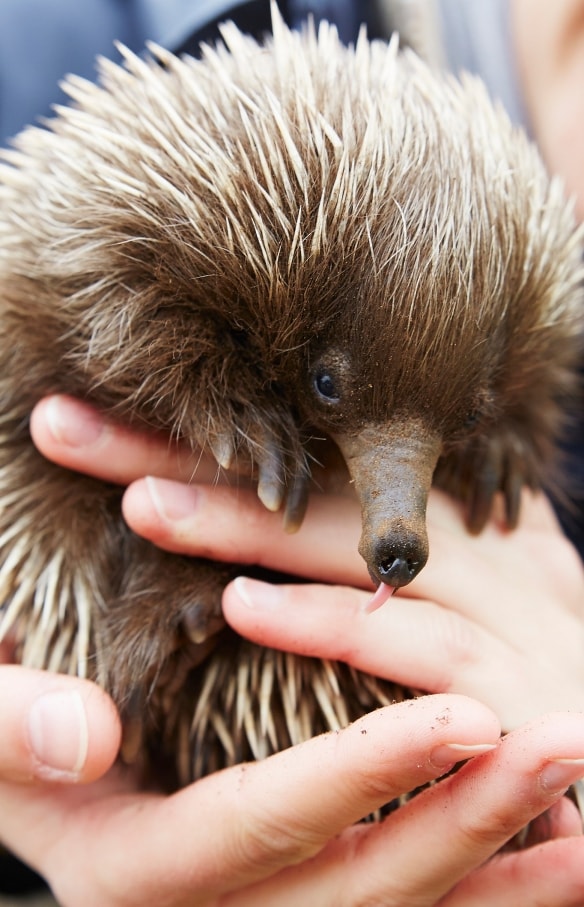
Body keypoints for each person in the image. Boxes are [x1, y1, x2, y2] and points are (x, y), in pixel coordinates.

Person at [2, 1, 584, 904]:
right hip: (97, 550)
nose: (401, 525)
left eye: (462, 413)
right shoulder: (47, 51)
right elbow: (64, 290)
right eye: (330, 386)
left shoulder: (539, 295)